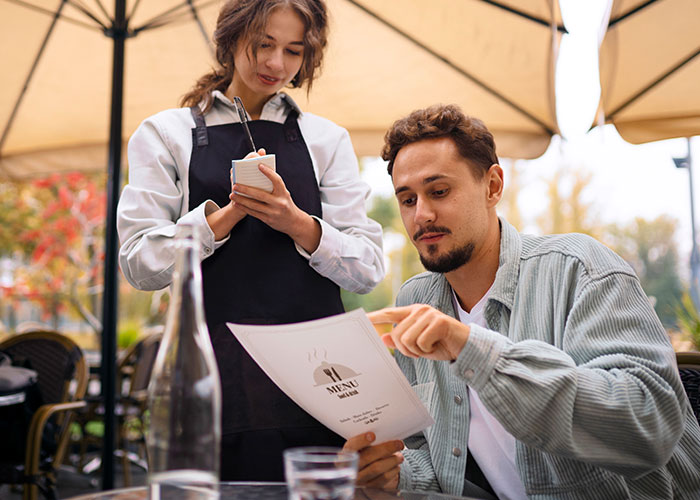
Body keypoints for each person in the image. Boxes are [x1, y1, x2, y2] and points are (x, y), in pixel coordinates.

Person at [344, 104, 700, 499]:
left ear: (493, 186)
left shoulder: (580, 268)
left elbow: (648, 428)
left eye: (439, 191)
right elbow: (433, 456)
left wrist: (472, 349)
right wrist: (395, 475)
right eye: (407, 200)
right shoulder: (416, 299)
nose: (421, 215)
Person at [116, 0, 384, 481]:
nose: (276, 64)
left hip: (320, 378)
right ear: (231, 38)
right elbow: (138, 263)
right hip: (212, 372)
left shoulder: (327, 140)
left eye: (293, 51)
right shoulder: (165, 134)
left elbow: (367, 268)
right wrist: (229, 214)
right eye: (263, 45)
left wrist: (298, 223)